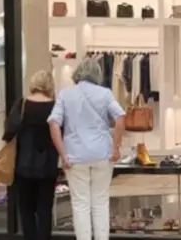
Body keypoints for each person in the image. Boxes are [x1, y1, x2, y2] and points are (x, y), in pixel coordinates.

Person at [48, 58, 126, 240]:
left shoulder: (65, 94)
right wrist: (116, 147)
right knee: (100, 202)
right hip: (102, 153)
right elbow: (121, 116)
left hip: (75, 155)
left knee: (80, 204)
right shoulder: (105, 93)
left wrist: (62, 154)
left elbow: (53, 123)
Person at [3, 70, 59, 240]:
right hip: (48, 166)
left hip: (24, 165)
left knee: (26, 210)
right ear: (49, 85)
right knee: (45, 210)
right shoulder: (55, 106)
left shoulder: (22, 105)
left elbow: (8, 132)